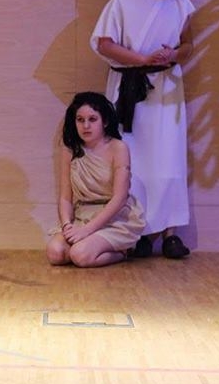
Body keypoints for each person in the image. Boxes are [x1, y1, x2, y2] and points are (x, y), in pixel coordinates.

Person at [90, 0, 194, 259]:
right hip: (130, 90)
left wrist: (172, 55)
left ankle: (171, 233)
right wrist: (142, 59)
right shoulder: (121, 2)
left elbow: (188, 45)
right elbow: (105, 44)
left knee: (169, 159)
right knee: (133, 161)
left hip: (166, 89)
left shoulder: (181, 4)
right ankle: (138, 232)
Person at [46, 92, 145, 267]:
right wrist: (67, 225)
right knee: (55, 253)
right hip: (82, 215)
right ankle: (88, 246)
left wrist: (87, 230)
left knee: (80, 255)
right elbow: (65, 197)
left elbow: (120, 198)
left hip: (114, 217)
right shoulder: (70, 150)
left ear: (104, 121)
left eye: (92, 119)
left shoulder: (118, 148)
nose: (86, 126)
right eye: (80, 120)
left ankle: (123, 252)